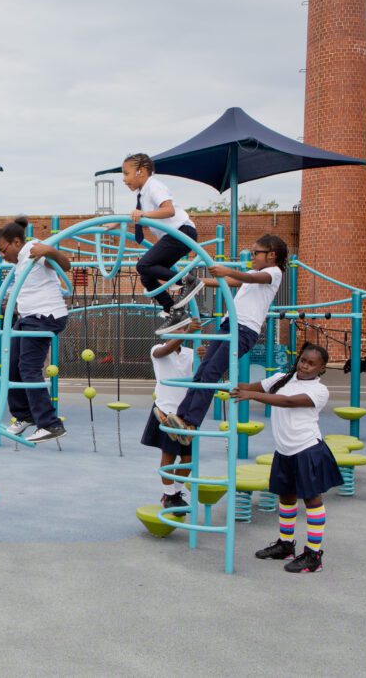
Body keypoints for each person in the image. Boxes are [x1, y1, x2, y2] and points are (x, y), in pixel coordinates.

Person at [164, 234, 288, 443]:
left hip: (244, 330)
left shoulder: (273, 273)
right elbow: (230, 281)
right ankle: (181, 416)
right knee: (202, 370)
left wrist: (227, 270)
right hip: (228, 325)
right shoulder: (255, 271)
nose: (252, 257)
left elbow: (246, 278)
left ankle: (192, 421)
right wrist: (199, 281)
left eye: (256, 253)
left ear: (272, 255)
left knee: (211, 372)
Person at [232, 343, 340, 573]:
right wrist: (219, 379)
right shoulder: (282, 379)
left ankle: (313, 555)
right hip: (284, 451)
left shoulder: (320, 391)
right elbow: (245, 387)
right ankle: (285, 545)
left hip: (307, 449)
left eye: (312, 364)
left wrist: (252, 395)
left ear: (321, 369)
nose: (305, 366)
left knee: (311, 500)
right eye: (303, 360)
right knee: (287, 498)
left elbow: (289, 402)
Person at [0, 218, 73, 443]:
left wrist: (48, 250)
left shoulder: (32, 250)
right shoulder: (20, 260)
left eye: (2, 249)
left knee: (28, 368)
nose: (1, 255)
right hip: (29, 318)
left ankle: (50, 424)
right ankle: (24, 415)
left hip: (44, 317)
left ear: (16, 242)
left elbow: (65, 266)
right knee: (12, 366)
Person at [121, 153, 203, 335]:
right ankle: (175, 311)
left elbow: (169, 210)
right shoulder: (142, 194)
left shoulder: (154, 186)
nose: (124, 180)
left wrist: (143, 215)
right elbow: (141, 215)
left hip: (181, 232)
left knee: (144, 264)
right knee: (147, 277)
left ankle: (188, 280)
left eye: (126, 174)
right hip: (174, 236)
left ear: (140, 171)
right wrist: (121, 222)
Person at [141, 320, 202, 510]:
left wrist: (204, 357)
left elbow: (199, 373)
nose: (181, 331)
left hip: (185, 414)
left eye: (183, 328)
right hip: (166, 410)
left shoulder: (190, 353)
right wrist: (185, 334)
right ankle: (169, 495)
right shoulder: (157, 350)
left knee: (188, 459)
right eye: (177, 328)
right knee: (169, 454)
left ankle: (174, 492)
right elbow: (165, 351)